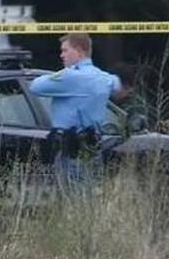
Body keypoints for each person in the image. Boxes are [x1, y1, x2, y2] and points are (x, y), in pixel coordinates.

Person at [28, 33, 122, 188]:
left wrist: (63, 73)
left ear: (78, 51)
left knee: (69, 200)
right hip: (93, 148)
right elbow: (117, 85)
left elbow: (35, 86)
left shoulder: (70, 77)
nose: (61, 55)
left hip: (70, 151)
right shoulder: (104, 78)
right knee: (88, 201)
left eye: (65, 50)